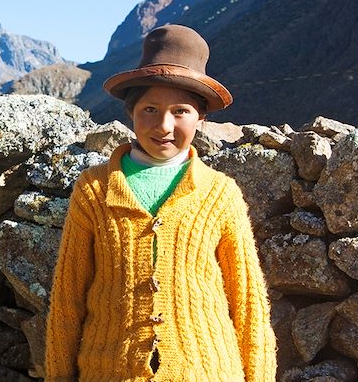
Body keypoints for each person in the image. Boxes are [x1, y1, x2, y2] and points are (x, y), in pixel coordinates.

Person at [45, 24, 277, 381]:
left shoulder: (220, 194)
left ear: (201, 118)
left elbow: (248, 305)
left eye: (181, 111)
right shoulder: (93, 190)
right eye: (150, 109)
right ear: (131, 112)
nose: (164, 125)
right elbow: (67, 299)